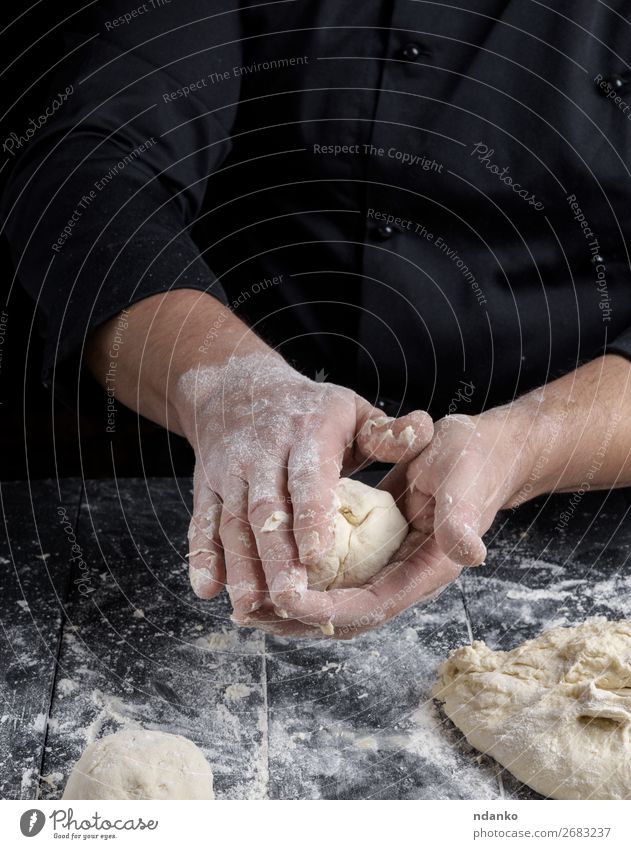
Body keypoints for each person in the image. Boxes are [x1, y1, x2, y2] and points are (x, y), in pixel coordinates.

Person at [3, 1, 631, 638]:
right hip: (216, 478)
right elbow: (87, 164)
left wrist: (527, 444)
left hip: (587, 502)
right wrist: (230, 387)